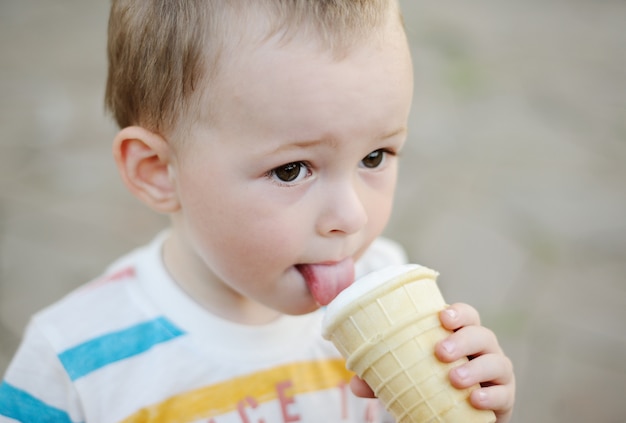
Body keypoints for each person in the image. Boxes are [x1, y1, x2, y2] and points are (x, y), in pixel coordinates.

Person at [0, 1, 515, 422]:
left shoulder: (384, 292)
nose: (351, 216)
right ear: (158, 170)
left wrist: (466, 399)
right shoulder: (75, 365)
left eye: (374, 157)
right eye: (292, 170)